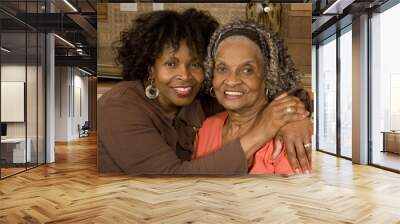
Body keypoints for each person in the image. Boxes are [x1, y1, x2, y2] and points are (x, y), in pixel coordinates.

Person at [97, 9, 312, 175]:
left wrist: (293, 116)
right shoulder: (118, 107)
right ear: (150, 68)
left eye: (196, 64)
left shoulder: (198, 99)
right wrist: (263, 130)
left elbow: (255, 96)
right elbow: (169, 178)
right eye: (171, 64)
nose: (185, 75)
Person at [194, 20, 312, 174]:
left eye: (247, 70)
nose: (231, 80)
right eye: (222, 69)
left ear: (268, 76)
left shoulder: (289, 139)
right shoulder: (206, 129)